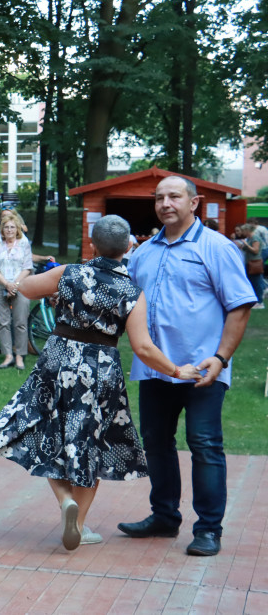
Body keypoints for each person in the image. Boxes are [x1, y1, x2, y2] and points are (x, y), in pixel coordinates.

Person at [0, 215, 202, 551]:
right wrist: (176, 371)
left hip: (59, 359)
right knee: (93, 443)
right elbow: (143, 347)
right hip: (101, 370)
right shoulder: (131, 291)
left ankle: (65, 501)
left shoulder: (69, 274)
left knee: (47, 431)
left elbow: (25, 288)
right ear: (128, 248)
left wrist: (55, 290)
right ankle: (79, 525)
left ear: (92, 244)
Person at [118, 175, 255, 557]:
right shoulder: (144, 252)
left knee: (205, 445)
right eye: (159, 197)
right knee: (157, 444)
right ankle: (164, 517)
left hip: (202, 370)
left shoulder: (217, 248)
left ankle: (209, 529)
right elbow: (127, 307)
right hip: (155, 369)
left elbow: (240, 306)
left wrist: (222, 357)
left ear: (194, 203)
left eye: (174, 196)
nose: (166, 203)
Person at [0, 215, 33, 370]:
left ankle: (20, 356)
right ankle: (8, 355)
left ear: (17, 229)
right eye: (6, 227)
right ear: (2, 230)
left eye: (12, 227)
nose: (9, 230)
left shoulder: (24, 245)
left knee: (20, 322)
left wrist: (15, 285)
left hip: (21, 287)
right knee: (3, 323)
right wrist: (7, 284)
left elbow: (27, 267)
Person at [233, 223, 264, 308]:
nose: (243, 232)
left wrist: (245, 245)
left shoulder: (255, 238)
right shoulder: (250, 238)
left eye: (244, 231)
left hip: (255, 263)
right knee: (252, 282)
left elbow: (255, 251)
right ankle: (255, 301)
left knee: (256, 283)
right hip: (249, 262)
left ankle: (260, 302)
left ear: (248, 230)